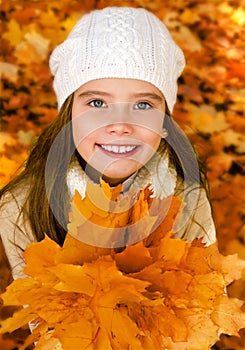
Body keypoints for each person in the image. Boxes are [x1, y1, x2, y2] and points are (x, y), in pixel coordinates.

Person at [0, 7, 216, 281]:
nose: (120, 125)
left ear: (164, 120)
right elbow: (41, 318)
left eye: (142, 104)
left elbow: (204, 312)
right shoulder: (22, 207)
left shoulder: (187, 199)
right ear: (69, 114)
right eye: (97, 103)